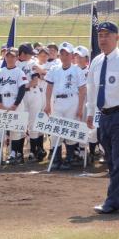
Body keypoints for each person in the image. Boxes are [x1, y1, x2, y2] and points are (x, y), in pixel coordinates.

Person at [86, 21, 119, 214]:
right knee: (111, 161)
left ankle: (111, 201)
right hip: (104, 117)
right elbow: (91, 88)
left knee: (117, 160)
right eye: (100, 35)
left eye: (107, 35)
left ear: (116, 37)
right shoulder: (97, 61)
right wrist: (90, 113)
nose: (103, 39)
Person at [44, 42, 86, 170]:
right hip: (57, 102)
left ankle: (69, 158)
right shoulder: (54, 69)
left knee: (70, 131)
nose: (64, 56)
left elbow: (82, 90)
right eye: (62, 53)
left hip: (72, 101)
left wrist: (80, 108)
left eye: (66, 54)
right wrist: (47, 104)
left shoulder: (77, 70)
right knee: (55, 131)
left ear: (72, 55)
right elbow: (49, 87)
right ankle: (56, 158)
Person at [0, 48, 28, 164]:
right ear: (5, 58)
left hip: (15, 101)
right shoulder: (1, 71)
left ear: (16, 58)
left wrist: (15, 104)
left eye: (12, 56)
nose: (10, 58)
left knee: (16, 130)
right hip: (3, 100)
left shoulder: (19, 72)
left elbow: (22, 89)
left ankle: (14, 153)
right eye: (8, 56)